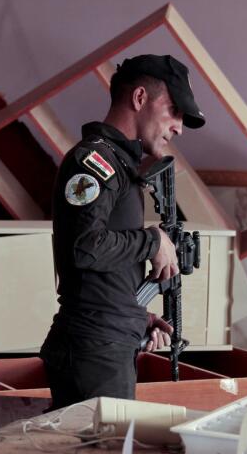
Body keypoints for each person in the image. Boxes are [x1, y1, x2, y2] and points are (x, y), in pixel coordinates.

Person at [39, 54, 206, 409]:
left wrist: (135, 317)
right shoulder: (94, 163)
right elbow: (84, 247)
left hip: (105, 343)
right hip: (94, 350)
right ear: (140, 98)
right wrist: (153, 241)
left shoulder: (121, 166)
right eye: (174, 111)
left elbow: (98, 268)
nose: (179, 127)